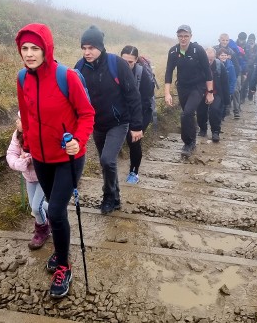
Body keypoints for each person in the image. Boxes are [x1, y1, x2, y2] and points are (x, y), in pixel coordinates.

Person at [16, 23, 95, 299]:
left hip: (68, 157)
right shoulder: (22, 78)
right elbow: (26, 115)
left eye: (35, 48)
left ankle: (64, 265)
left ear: (46, 49)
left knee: (56, 211)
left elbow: (87, 114)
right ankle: (61, 250)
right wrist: (26, 142)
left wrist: (79, 140)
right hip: (40, 158)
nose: (29, 53)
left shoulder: (67, 77)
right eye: (24, 48)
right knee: (53, 208)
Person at [76, 26, 143, 214]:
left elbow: (133, 95)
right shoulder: (79, 68)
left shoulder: (117, 64)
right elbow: (75, 98)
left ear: (100, 46)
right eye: (83, 48)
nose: (87, 52)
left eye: (91, 47)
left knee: (107, 159)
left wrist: (136, 126)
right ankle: (116, 197)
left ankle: (108, 195)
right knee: (106, 162)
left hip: (119, 122)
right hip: (97, 124)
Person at [164, 24, 214, 158]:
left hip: (197, 87)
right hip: (182, 87)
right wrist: (167, 93)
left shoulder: (198, 50)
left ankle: (188, 143)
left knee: (186, 113)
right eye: (180, 36)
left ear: (191, 36)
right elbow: (169, 72)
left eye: (186, 36)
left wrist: (210, 92)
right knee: (188, 115)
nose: (183, 39)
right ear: (177, 37)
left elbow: (207, 72)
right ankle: (192, 137)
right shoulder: (173, 51)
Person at [5, 111, 50, 250]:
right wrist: (19, 163)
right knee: (34, 205)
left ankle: (42, 230)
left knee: (36, 208)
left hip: (44, 176)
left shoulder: (40, 135)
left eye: (19, 119)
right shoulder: (17, 135)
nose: (16, 122)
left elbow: (45, 154)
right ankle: (57, 213)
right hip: (29, 177)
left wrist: (29, 159)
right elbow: (11, 153)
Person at [120, 45, 156, 184]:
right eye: (124, 61)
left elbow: (147, 99)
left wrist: (136, 124)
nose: (127, 65)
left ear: (136, 61)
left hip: (142, 111)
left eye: (130, 62)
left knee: (133, 140)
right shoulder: (114, 71)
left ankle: (134, 173)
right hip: (124, 110)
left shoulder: (143, 75)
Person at [197, 47, 229, 142]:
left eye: (211, 58)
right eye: (207, 58)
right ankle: (203, 129)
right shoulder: (198, 66)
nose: (209, 61)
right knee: (201, 112)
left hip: (216, 93)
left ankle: (215, 132)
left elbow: (225, 83)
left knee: (215, 111)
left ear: (215, 57)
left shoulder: (220, 66)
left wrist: (226, 101)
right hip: (201, 92)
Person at [217, 47, 237, 120]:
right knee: (217, 104)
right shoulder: (215, 65)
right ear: (218, 56)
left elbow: (233, 79)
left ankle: (221, 118)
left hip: (226, 89)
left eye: (225, 55)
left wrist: (230, 91)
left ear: (228, 56)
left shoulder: (230, 66)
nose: (224, 57)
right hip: (217, 89)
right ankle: (217, 119)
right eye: (222, 55)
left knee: (224, 105)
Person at [241, 33, 257, 103]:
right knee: (244, 83)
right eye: (249, 40)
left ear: (254, 40)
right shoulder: (245, 47)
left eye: (252, 40)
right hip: (246, 67)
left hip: (253, 67)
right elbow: (243, 56)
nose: (250, 41)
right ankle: (242, 97)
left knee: (252, 82)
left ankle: (250, 96)